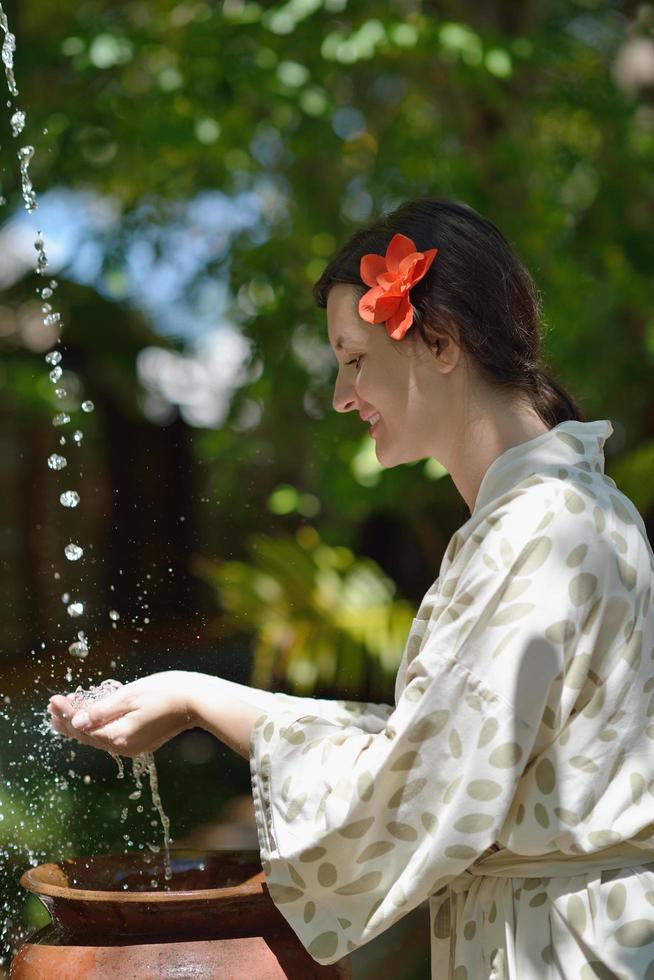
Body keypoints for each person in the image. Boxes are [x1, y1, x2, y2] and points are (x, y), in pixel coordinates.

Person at [49, 198, 654, 979]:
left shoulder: (544, 528)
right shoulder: (558, 515)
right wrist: (195, 695)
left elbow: (408, 794)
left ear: (440, 342)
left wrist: (203, 700)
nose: (341, 395)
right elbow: (432, 744)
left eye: (356, 358)